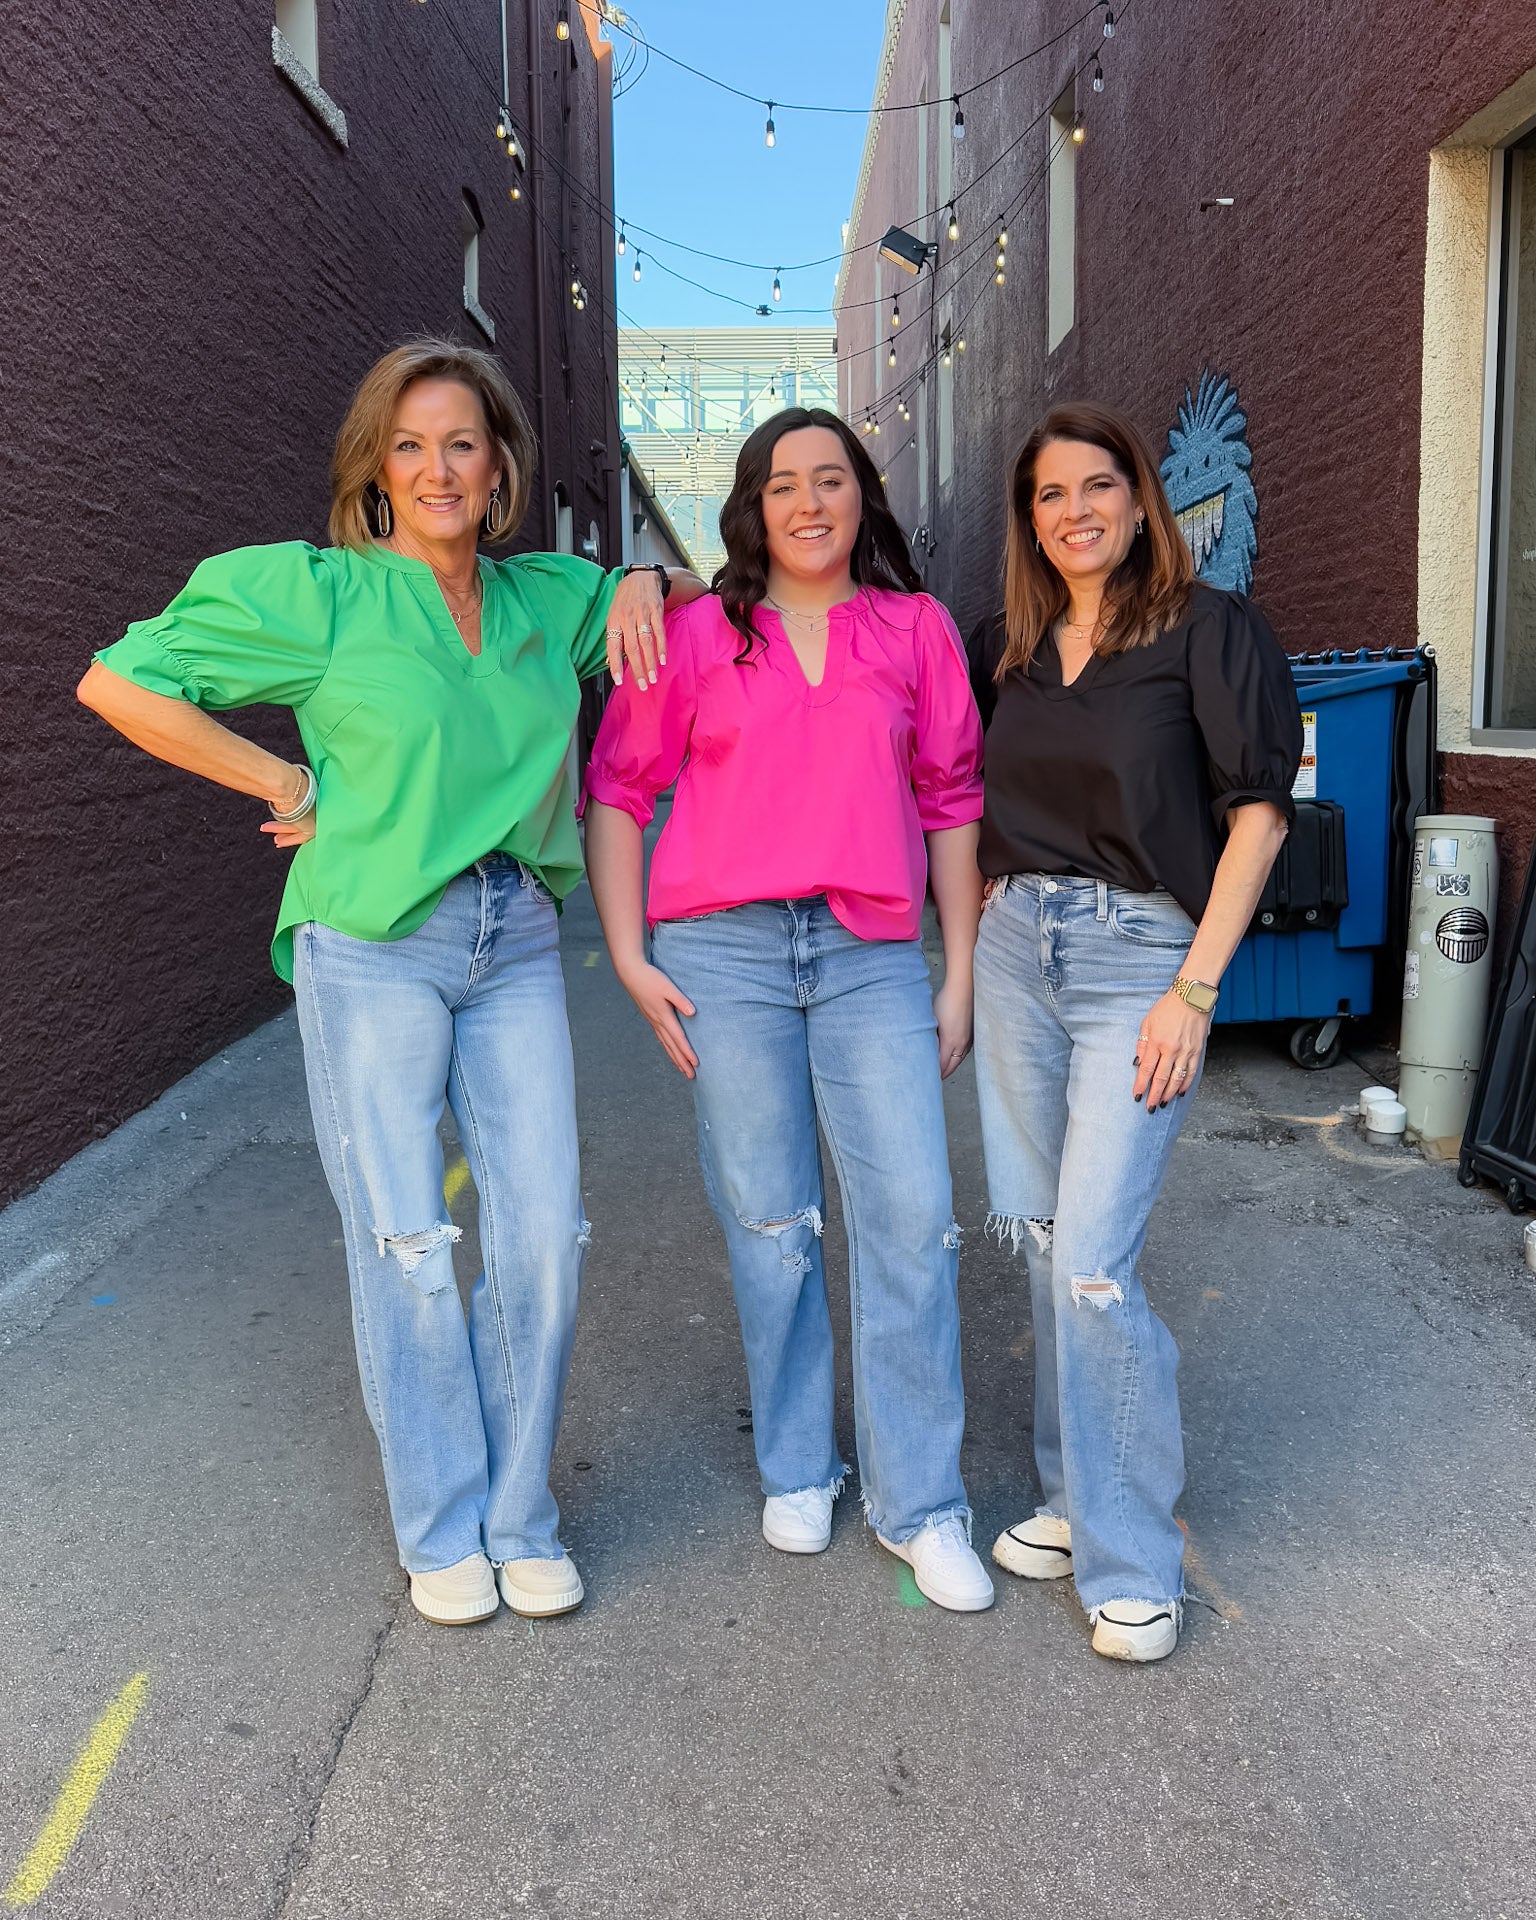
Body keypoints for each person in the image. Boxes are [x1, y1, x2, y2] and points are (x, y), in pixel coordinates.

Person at [77, 337, 705, 1625]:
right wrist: (281, 782)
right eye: (409, 444)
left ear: (500, 467)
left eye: (461, 443)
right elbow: (119, 680)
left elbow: (692, 601)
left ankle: (521, 1510)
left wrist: (645, 572)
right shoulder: (322, 596)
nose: (436, 467)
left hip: (516, 937)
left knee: (543, 1234)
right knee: (412, 1240)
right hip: (373, 944)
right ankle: (440, 1526)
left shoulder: (547, 600)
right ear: (374, 466)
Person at [582, 407, 995, 1612]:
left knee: (911, 1215)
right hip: (726, 952)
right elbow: (617, 789)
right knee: (772, 1218)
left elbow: (952, 799)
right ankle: (799, 1463)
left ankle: (923, 1505)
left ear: (864, 495)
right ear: (752, 510)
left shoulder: (915, 631)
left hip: (871, 951)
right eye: (781, 486)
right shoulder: (700, 634)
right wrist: (627, 954)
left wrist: (955, 967)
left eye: (831, 480)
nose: (809, 503)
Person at [970, 401, 1301, 1662]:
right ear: (1030, 517)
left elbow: (1258, 819)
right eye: (1051, 495)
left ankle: (1133, 1556)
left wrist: (1196, 989)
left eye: (1097, 485)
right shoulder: (1011, 644)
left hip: (1140, 962)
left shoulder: (1210, 630)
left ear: (1140, 495)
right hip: (1019, 955)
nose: (1075, 512)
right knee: (1049, 1240)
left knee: (1097, 1259)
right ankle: (1069, 1491)